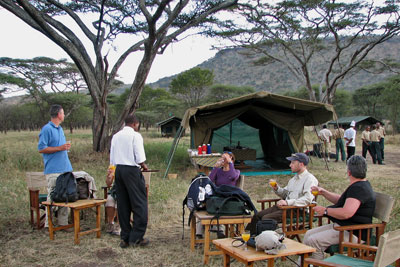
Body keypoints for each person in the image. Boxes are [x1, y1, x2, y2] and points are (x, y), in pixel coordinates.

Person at [303, 155, 376, 260]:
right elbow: (343, 201)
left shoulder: (359, 188)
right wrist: (323, 192)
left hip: (354, 232)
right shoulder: (360, 185)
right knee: (308, 234)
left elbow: (346, 213)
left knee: (313, 241)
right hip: (345, 227)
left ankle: (315, 264)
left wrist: (326, 211)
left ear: (349, 172)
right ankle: (305, 264)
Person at [245, 153, 318, 235]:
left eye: (293, 163)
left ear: (301, 164)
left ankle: (264, 241)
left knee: (266, 219)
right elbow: (285, 194)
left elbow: (307, 199)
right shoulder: (294, 179)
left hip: (297, 210)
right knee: (257, 215)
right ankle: (250, 237)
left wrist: (287, 202)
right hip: (285, 207)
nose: (290, 165)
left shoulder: (310, 179)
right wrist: (276, 188)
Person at [110, 114, 149, 248]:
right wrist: (143, 165)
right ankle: (136, 237)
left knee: (123, 204)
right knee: (140, 204)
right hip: (131, 171)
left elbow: (112, 158)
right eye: (137, 125)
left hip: (119, 170)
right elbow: (139, 157)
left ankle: (125, 237)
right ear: (134, 124)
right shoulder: (135, 136)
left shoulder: (116, 136)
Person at [38, 104, 73, 228]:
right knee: (53, 195)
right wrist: (60, 148)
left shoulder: (60, 129)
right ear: (58, 114)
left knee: (65, 195)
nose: (63, 115)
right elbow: (41, 148)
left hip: (65, 168)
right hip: (53, 169)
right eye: (63, 113)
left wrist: (64, 149)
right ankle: (49, 224)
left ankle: (63, 223)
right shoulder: (47, 129)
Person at [196, 151, 240, 238]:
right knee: (204, 206)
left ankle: (219, 230)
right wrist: (215, 167)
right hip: (217, 195)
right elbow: (210, 180)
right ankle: (199, 233)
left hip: (228, 197)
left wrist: (230, 162)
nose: (223, 160)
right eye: (222, 158)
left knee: (217, 206)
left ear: (231, 159)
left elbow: (233, 177)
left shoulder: (236, 171)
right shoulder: (219, 171)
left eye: (225, 158)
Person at [105, 166, 121, 236]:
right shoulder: (114, 166)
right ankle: (110, 223)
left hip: (127, 191)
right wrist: (109, 177)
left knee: (120, 201)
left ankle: (119, 225)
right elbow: (108, 184)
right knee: (109, 200)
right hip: (115, 190)